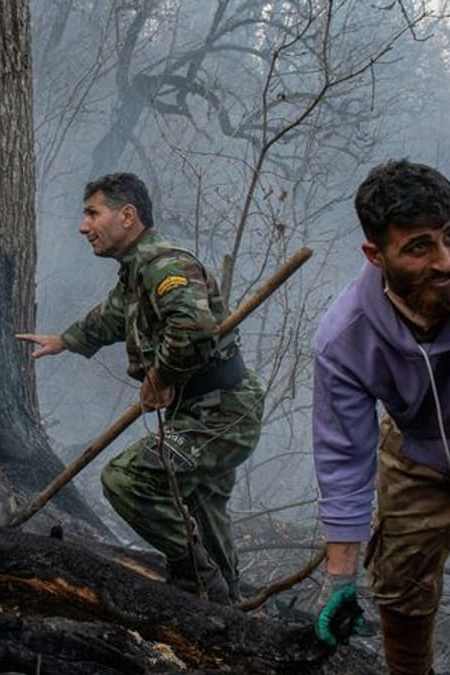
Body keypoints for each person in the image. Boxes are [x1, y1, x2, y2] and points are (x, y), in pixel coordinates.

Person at [311, 159, 450, 671]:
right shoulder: (346, 340)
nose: (447, 261)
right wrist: (339, 578)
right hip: (422, 456)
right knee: (399, 594)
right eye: (419, 247)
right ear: (376, 254)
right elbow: (344, 459)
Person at [17, 172, 265, 603]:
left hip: (222, 411)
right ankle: (224, 607)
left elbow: (192, 328)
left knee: (125, 479)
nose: (83, 226)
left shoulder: (164, 264)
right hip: (204, 410)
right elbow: (113, 317)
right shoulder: (137, 271)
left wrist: (161, 376)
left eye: (93, 213)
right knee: (204, 507)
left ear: (127, 216)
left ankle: (198, 580)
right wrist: (66, 340)